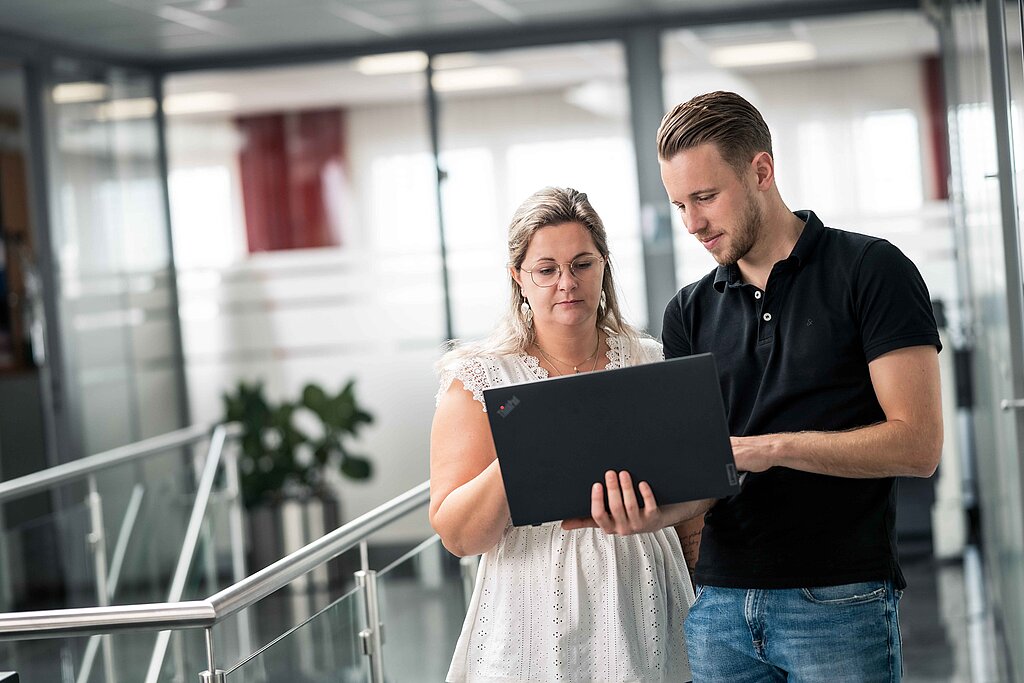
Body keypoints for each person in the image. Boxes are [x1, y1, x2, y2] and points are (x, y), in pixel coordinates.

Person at [655, 90, 943, 681]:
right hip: (719, 611)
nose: (693, 224)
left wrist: (771, 447)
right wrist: (647, 511)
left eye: (705, 197)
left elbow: (918, 447)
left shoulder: (872, 271)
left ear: (761, 170)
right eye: (679, 205)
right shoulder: (686, 312)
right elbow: (703, 481)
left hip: (838, 601)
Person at [430, 186, 699, 682]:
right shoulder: (481, 379)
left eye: (582, 264)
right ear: (519, 278)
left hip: (647, 592)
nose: (566, 284)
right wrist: (528, 442)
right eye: (546, 270)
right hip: (532, 604)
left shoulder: (649, 362)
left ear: (604, 266)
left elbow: (690, 504)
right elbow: (458, 535)